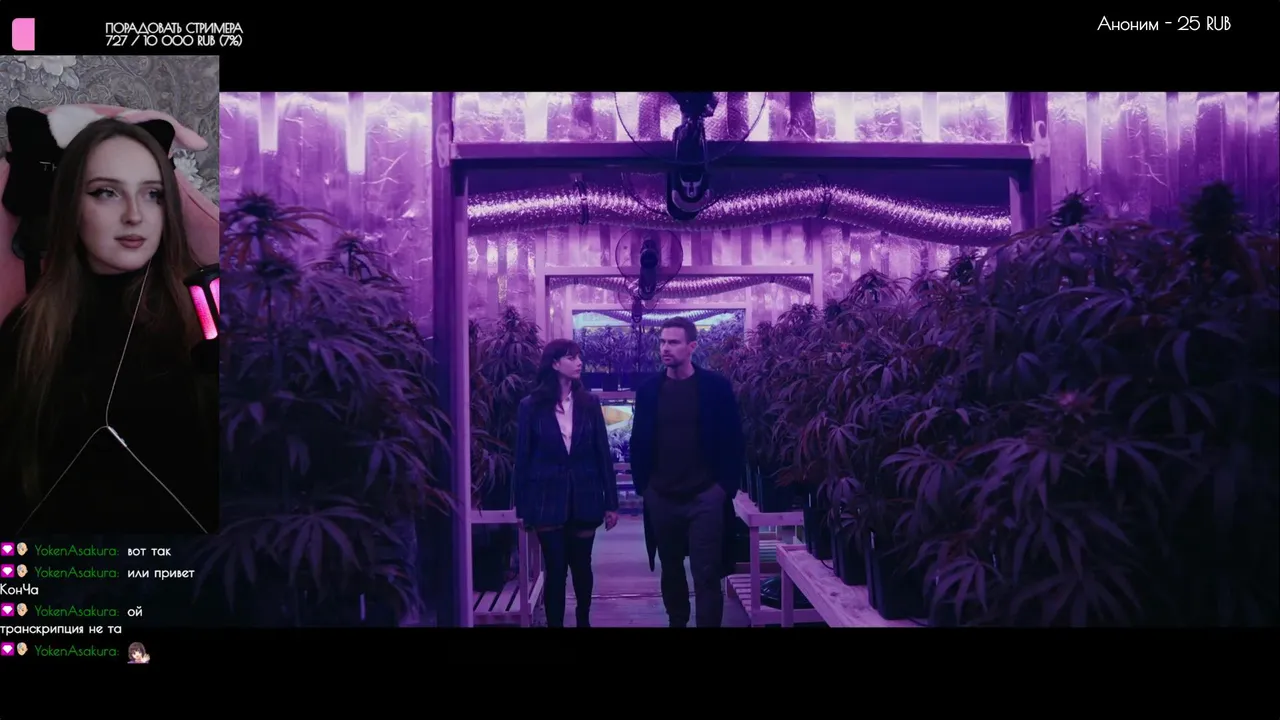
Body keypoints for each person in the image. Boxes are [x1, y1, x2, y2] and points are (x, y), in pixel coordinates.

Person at [0, 119, 218, 536]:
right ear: (70, 206)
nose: (134, 215)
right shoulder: (26, 332)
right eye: (106, 192)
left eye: (153, 194)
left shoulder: (205, 316)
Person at [631, 317, 745, 628]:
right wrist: (645, 488)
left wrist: (722, 489)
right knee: (670, 569)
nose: (665, 348)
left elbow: (734, 441)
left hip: (705, 496)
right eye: (663, 342)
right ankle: (677, 621)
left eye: (673, 342)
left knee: (706, 572)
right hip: (662, 496)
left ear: (692, 346)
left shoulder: (715, 388)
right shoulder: (649, 390)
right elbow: (638, 440)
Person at [513, 339, 620, 627]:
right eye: (571, 357)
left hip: (585, 495)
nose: (579, 363)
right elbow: (522, 458)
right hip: (547, 498)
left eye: (579, 357)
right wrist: (522, 507)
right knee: (556, 568)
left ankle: (584, 620)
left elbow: (602, 453)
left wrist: (611, 503)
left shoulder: (589, 403)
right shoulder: (531, 406)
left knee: (582, 566)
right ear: (554, 363)